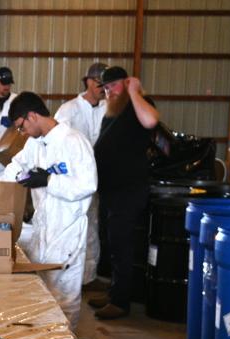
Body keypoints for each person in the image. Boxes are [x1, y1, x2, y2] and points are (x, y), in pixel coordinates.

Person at [0, 92, 97, 329]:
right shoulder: (36, 144)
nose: (22, 133)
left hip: (67, 231)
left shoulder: (74, 142)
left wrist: (49, 181)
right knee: (43, 292)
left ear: (32, 116)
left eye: (21, 126)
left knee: (65, 295)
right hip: (43, 228)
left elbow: (87, 185)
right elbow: (17, 166)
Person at [89, 66, 159, 320]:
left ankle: (120, 302)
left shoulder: (139, 104)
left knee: (121, 243)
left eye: (114, 86)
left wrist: (133, 91)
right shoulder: (112, 110)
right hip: (110, 189)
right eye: (106, 88)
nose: (109, 92)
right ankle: (114, 292)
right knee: (110, 243)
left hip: (129, 189)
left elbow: (151, 121)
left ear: (126, 82)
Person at [54, 62, 107, 288]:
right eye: (97, 82)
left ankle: (89, 276)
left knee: (94, 224)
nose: (101, 88)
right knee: (75, 224)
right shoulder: (68, 110)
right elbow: (57, 143)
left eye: (105, 84)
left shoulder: (108, 108)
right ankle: (70, 277)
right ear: (87, 81)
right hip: (74, 179)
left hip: (101, 175)